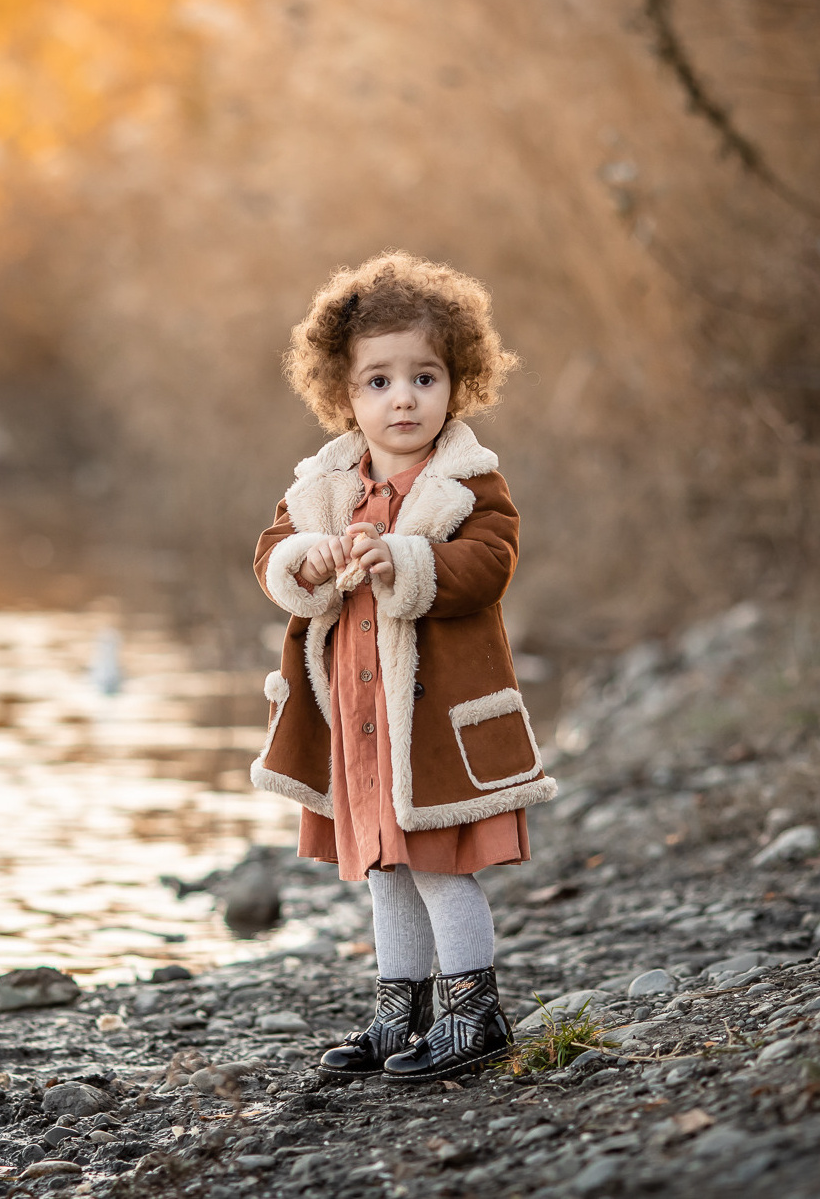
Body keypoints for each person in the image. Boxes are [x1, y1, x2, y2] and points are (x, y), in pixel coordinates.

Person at [252, 250, 557, 1082]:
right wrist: (308, 559)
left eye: (424, 377)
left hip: (430, 725)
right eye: (378, 381)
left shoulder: (469, 483)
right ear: (343, 395)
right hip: (357, 724)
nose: (403, 398)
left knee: (439, 864)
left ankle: (473, 1012)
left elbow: (489, 562)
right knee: (383, 867)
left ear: (458, 381)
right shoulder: (322, 485)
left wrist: (408, 562)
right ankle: (402, 1010)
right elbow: (272, 552)